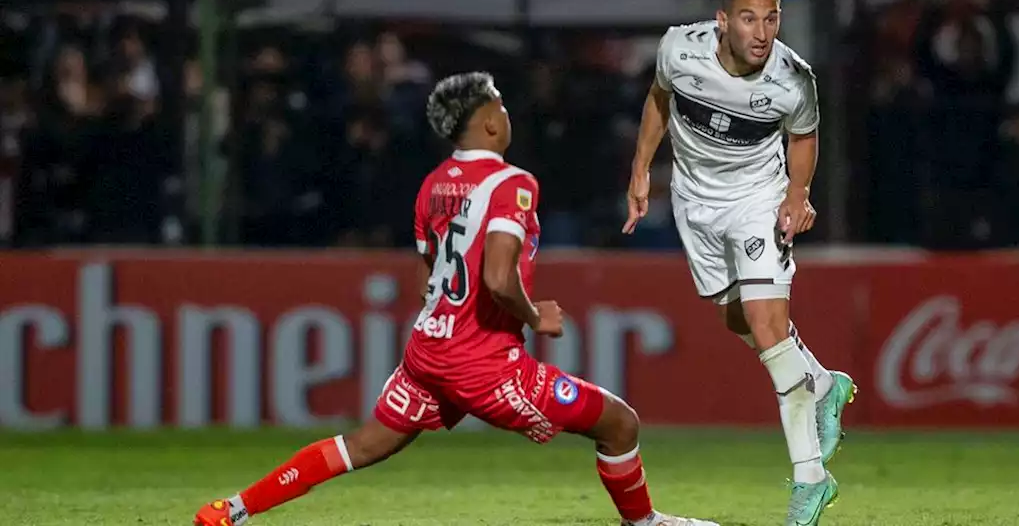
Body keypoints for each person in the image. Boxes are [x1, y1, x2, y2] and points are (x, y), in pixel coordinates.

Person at [194, 72, 717, 526]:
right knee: (620, 421)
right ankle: (643, 520)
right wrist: (535, 317)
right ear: (490, 122)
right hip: (484, 365)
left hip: (428, 353)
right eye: (503, 107)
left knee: (363, 445)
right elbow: (496, 276)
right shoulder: (512, 183)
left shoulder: (434, 184)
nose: (509, 115)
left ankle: (232, 509)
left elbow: (427, 277)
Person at [623, 0, 855, 526]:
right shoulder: (679, 48)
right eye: (749, 19)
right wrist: (639, 171)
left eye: (772, 19)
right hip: (694, 201)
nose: (762, 32)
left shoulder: (793, 79)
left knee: (767, 327)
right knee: (735, 319)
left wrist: (797, 196)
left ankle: (810, 480)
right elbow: (659, 98)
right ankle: (823, 384)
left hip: (757, 199)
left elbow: (804, 137)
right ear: (723, 21)